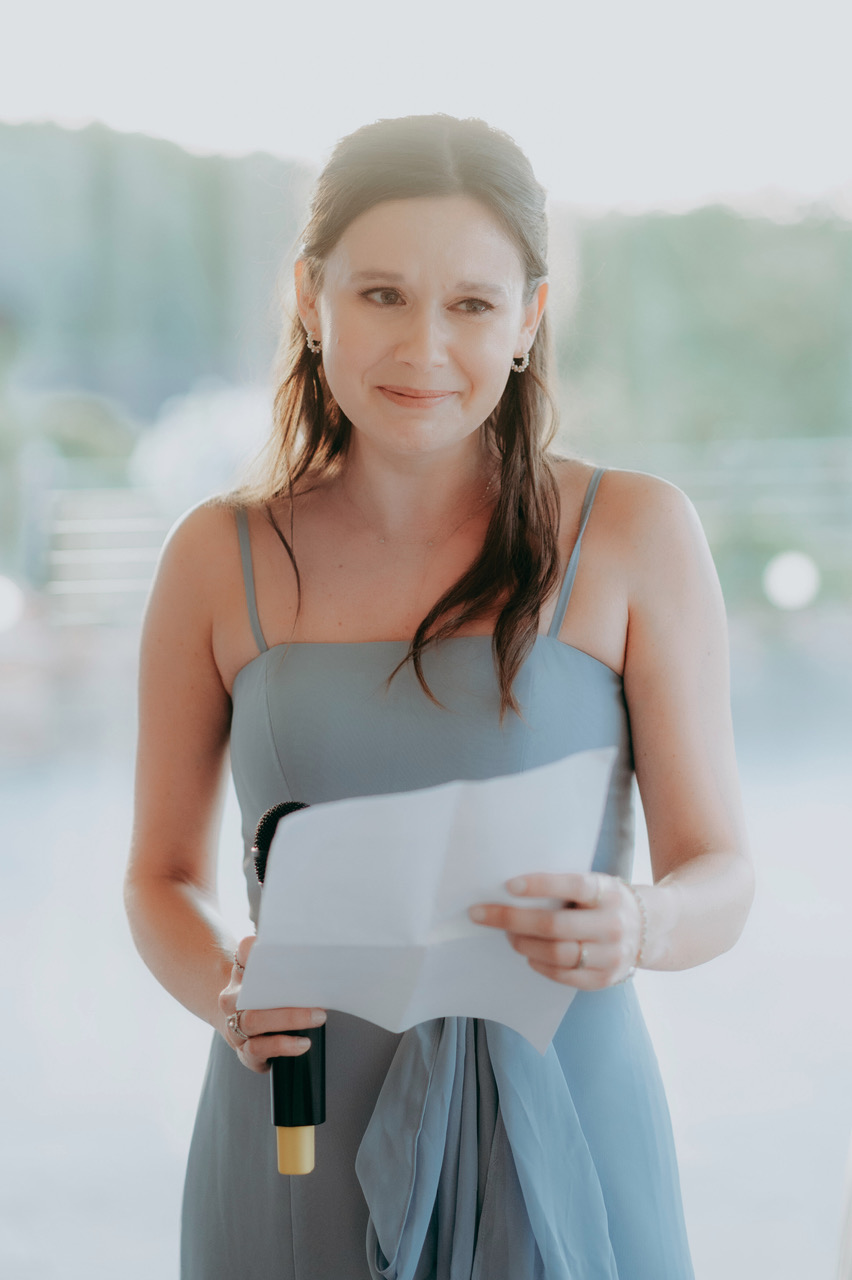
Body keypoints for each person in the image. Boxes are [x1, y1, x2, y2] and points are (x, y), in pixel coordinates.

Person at [125, 114, 754, 1279]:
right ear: (311, 298)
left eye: (471, 303)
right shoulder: (218, 555)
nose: (424, 346)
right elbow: (158, 876)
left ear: (529, 319)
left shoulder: (635, 533)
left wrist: (642, 922)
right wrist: (225, 983)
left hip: (567, 1106)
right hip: (295, 1118)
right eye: (380, 294)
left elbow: (723, 871)